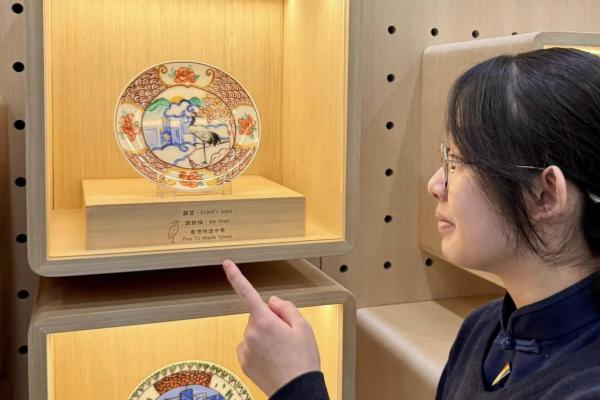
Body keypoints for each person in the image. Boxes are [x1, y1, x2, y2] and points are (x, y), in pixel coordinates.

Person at [222, 47, 600, 399]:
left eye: (457, 162)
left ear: (544, 195)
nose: (436, 184)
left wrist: (296, 385)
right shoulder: (485, 329)